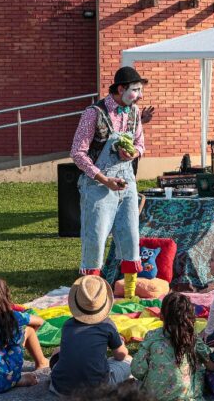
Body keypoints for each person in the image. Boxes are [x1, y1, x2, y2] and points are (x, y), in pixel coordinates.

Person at [70, 66, 147, 298]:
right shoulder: (93, 113)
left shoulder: (134, 112)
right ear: (120, 88)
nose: (139, 95)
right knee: (96, 238)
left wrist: (133, 153)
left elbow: (141, 144)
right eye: (135, 90)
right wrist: (103, 179)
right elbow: (77, 153)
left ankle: (130, 296)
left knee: (131, 236)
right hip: (98, 186)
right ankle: (90, 297)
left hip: (127, 182)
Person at [49, 276, 131, 396]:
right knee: (128, 360)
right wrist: (121, 343)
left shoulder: (68, 325)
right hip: (97, 391)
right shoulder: (107, 325)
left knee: (58, 351)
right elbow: (120, 355)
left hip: (59, 388)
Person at [132, 292, 212, 401]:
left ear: (161, 316)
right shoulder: (193, 340)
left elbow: (137, 370)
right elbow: (211, 365)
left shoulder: (152, 336)